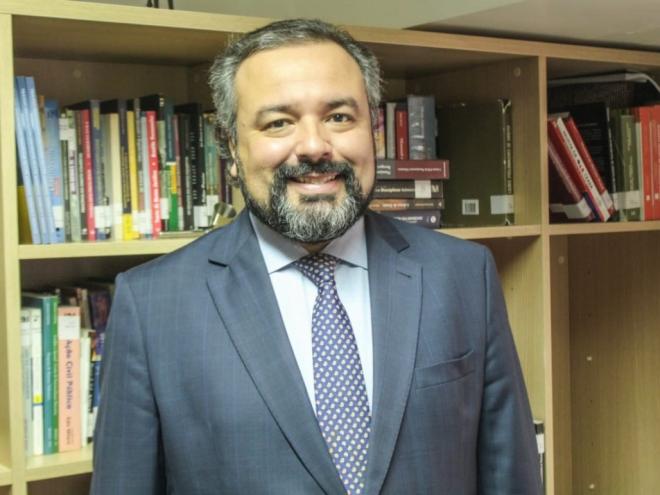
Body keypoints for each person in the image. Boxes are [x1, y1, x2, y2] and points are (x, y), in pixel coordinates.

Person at [91, 18, 542, 495]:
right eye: (278, 123)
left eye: (339, 117)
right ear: (230, 147)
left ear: (374, 131)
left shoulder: (462, 274)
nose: (313, 146)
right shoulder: (152, 305)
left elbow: (510, 477)